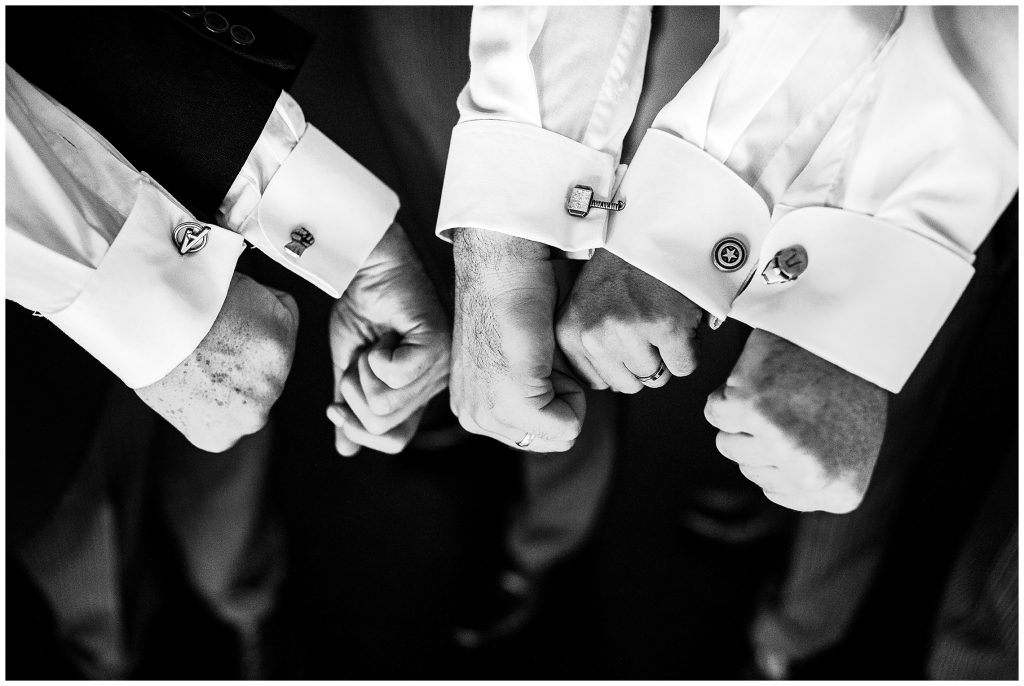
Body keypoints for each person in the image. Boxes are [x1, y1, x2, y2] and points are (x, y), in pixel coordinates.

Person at [436, 2, 1017, 673]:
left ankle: (797, 633)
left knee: (868, 418)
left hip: (965, 131)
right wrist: (498, 246)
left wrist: (830, 315)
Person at [6, 6, 448, 676]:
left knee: (227, 509)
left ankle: (251, 612)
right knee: (77, 565)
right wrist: (157, 315)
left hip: (162, 181)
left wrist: (351, 242)